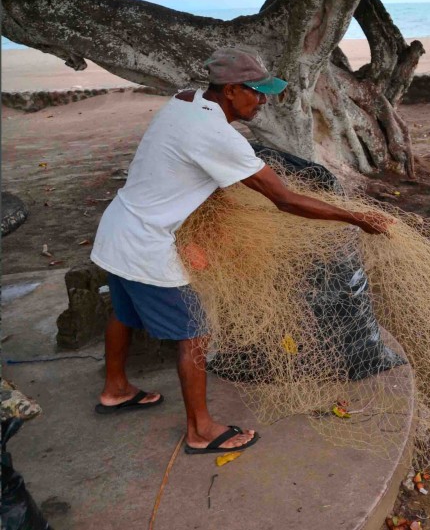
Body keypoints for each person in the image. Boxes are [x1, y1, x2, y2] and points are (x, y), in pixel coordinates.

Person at [89, 47, 392, 455]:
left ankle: (116, 389)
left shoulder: (185, 99)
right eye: (256, 91)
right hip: (148, 242)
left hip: (118, 228)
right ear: (231, 90)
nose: (263, 100)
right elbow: (284, 199)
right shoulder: (219, 136)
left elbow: (191, 170)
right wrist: (356, 218)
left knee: (123, 312)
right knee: (195, 333)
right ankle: (200, 431)